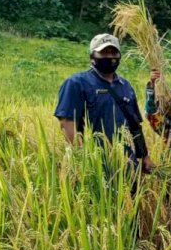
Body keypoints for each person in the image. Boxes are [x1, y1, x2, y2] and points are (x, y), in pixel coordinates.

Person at [54, 33, 154, 173]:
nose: (109, 56)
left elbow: (135, 125)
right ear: (92, 56)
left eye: (113, 52)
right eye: (104, 52)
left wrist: (144, 156)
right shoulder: (77, 83)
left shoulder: (125, 86)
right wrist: (83, 159)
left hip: (126, 162)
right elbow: (67, 123)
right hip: (94, 163)